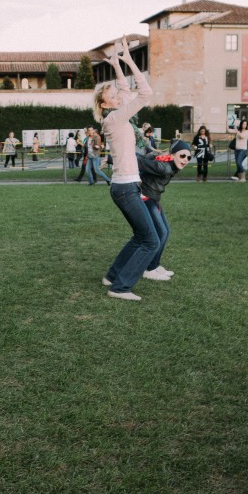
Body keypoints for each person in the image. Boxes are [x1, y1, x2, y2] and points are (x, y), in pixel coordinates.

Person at [97, 39, 155, 301]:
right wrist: (129, 60)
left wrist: (120, 63)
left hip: (127, 186)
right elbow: (145, 94)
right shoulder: (114, 118)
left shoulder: (117, 115)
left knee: (140, 236)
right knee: (150, 241)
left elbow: (126, 90)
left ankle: (112, 275)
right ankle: (120, 287)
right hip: (125, 188)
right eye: (113, 96)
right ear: (106, 104)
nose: (120, 95)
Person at [136, 140, 191, 280]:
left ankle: (154, 265)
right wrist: (114, 158)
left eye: (189, 157)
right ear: (173, 154)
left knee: (165, 232)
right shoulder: (164, 167)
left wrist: (153, 155)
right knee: (161, 233)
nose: (186, 160)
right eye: (183, 156)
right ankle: (149, 269)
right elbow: (139, 161)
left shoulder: (170, 164)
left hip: (154, 198)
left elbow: (144, 159)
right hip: (146, 198)